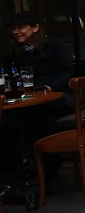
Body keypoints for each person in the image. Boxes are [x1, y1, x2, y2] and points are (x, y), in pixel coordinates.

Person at [5, 11, 74, 194]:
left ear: (35, 28)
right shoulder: (14, 51)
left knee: (43, 116)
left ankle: (50, 175)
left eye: (21, 27)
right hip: (30, 101)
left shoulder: (53, 44)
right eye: (13, 28)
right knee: (12, 121)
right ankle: (24, 175)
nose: (16, 32)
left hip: (58, 97)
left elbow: (67, 71)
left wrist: (51, 87)